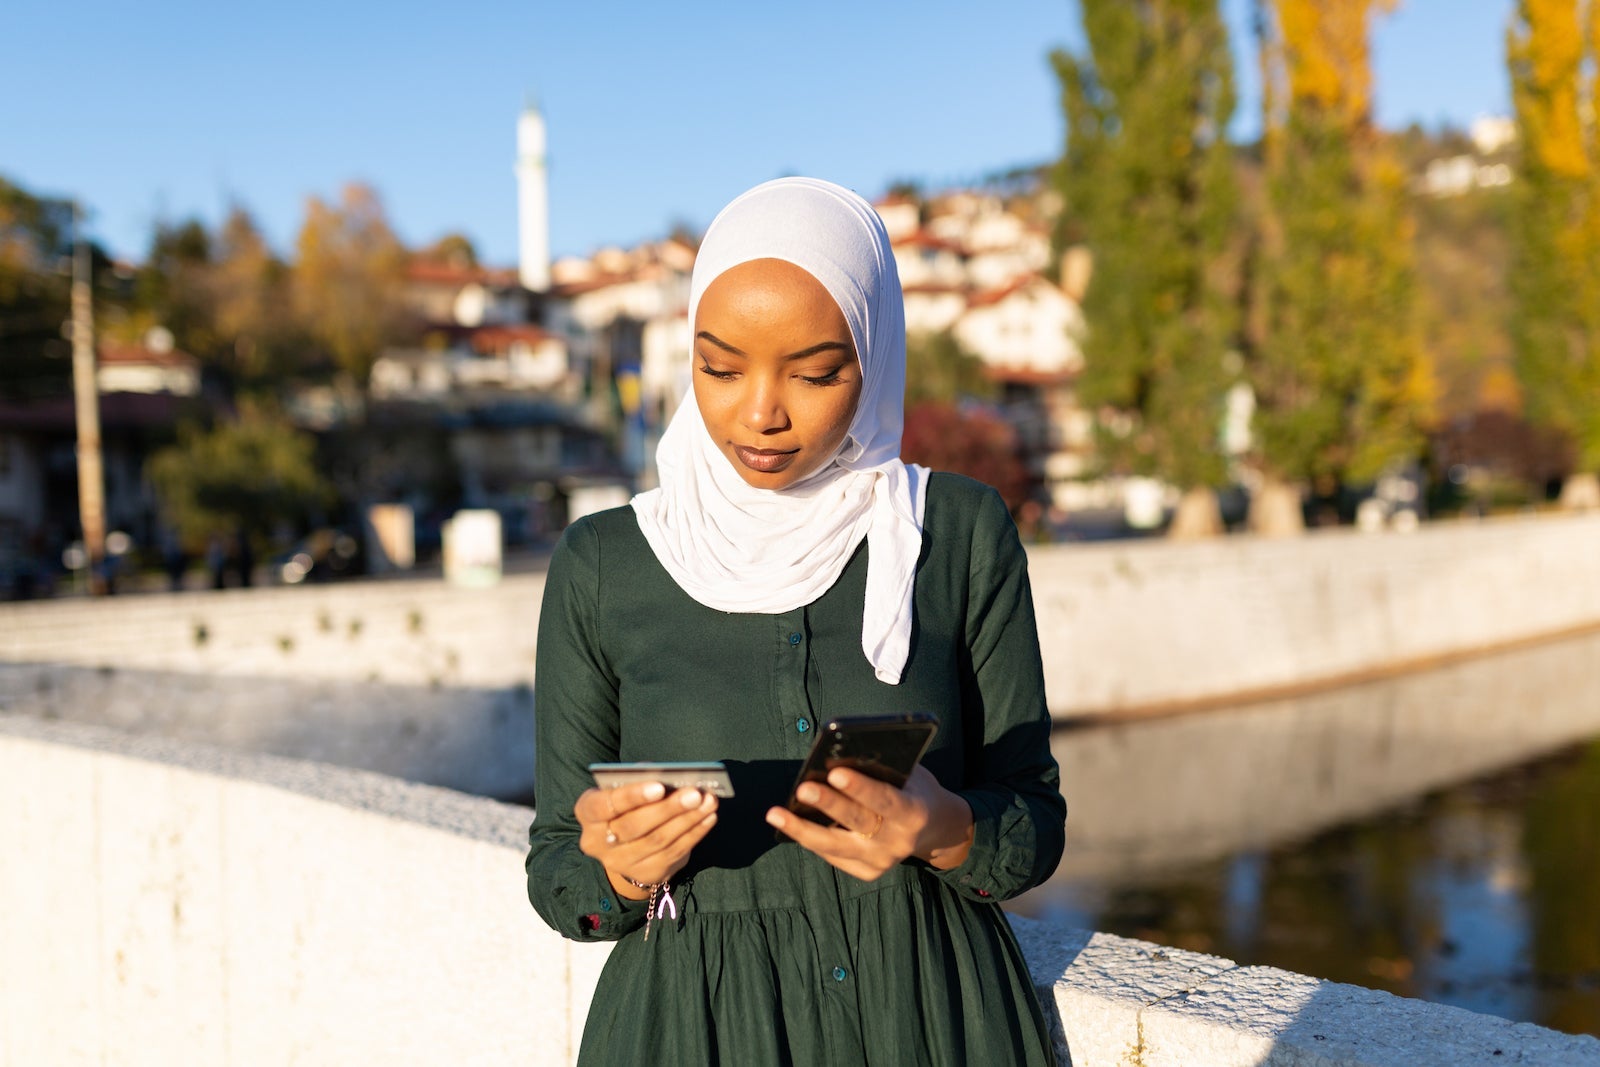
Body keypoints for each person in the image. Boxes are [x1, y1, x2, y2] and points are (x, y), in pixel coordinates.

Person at [525, 177, 1065, 1065]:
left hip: (932, 1024)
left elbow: (1034, 817)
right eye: (720, 367)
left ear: (876, 356)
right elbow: (558, 871)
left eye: (815, 372)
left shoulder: (958, 532)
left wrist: (942, 827)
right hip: (693, 1033)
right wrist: (623, 865)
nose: (761, 411)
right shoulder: (603, 565)